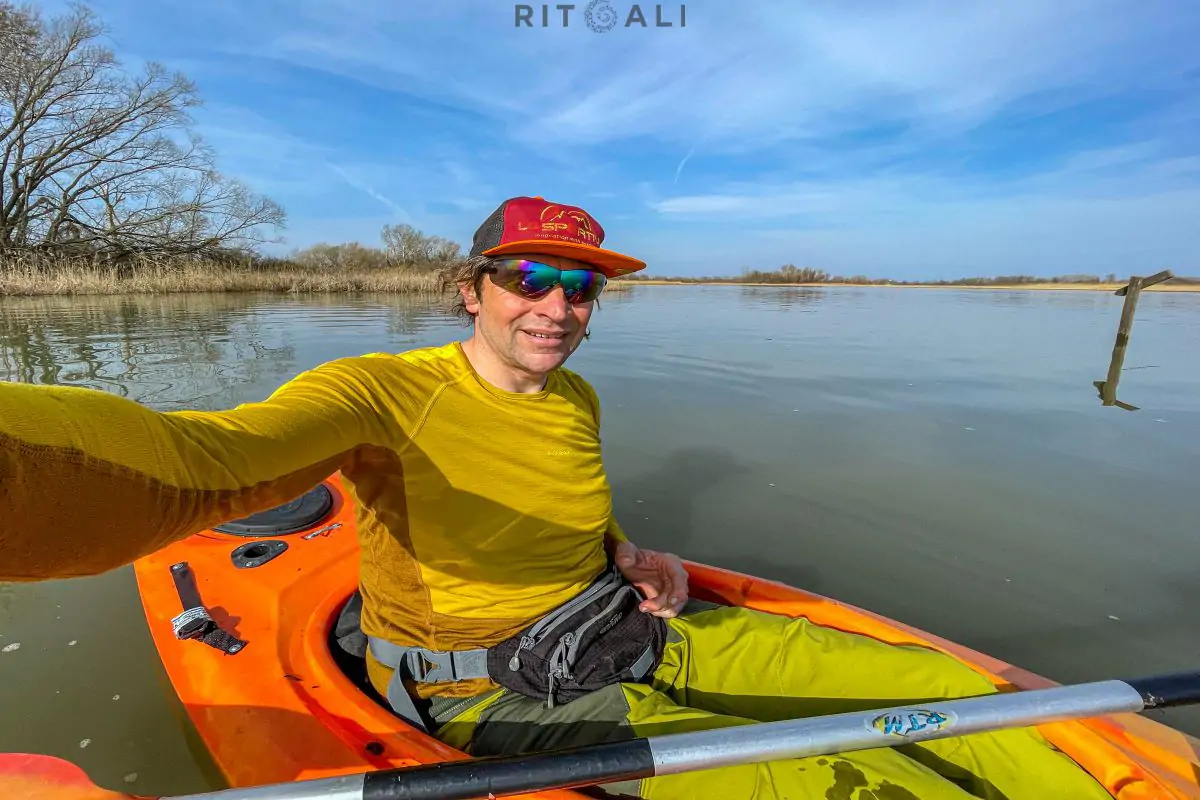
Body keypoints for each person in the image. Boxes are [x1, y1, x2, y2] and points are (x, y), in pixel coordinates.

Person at [0, 196, 1112, 799]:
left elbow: (564, 501)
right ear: (472, 287)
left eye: (580, 287)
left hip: (623, 624)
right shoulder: (379, 389)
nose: (557, 306)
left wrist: (625, 551)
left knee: (941, 687)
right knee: (847, 781)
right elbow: (199, 460)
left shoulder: (571, 393)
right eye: (529, 278)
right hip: (493, 695)